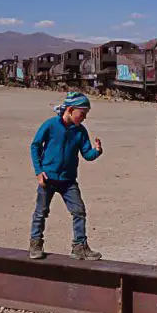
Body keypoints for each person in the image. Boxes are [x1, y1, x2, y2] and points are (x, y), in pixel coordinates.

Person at [28, 91, 104, 260]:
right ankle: (35, 244)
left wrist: (97, 151)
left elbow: (87, 154)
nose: (84, 118)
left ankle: (79, 247)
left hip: (68, 181)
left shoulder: (80, 131)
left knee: (79, 211)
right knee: (41, 212)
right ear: (70, 110)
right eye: (82, 114)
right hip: (48, 178)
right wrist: (39, 171)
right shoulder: (50, 125)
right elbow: (35, 146)